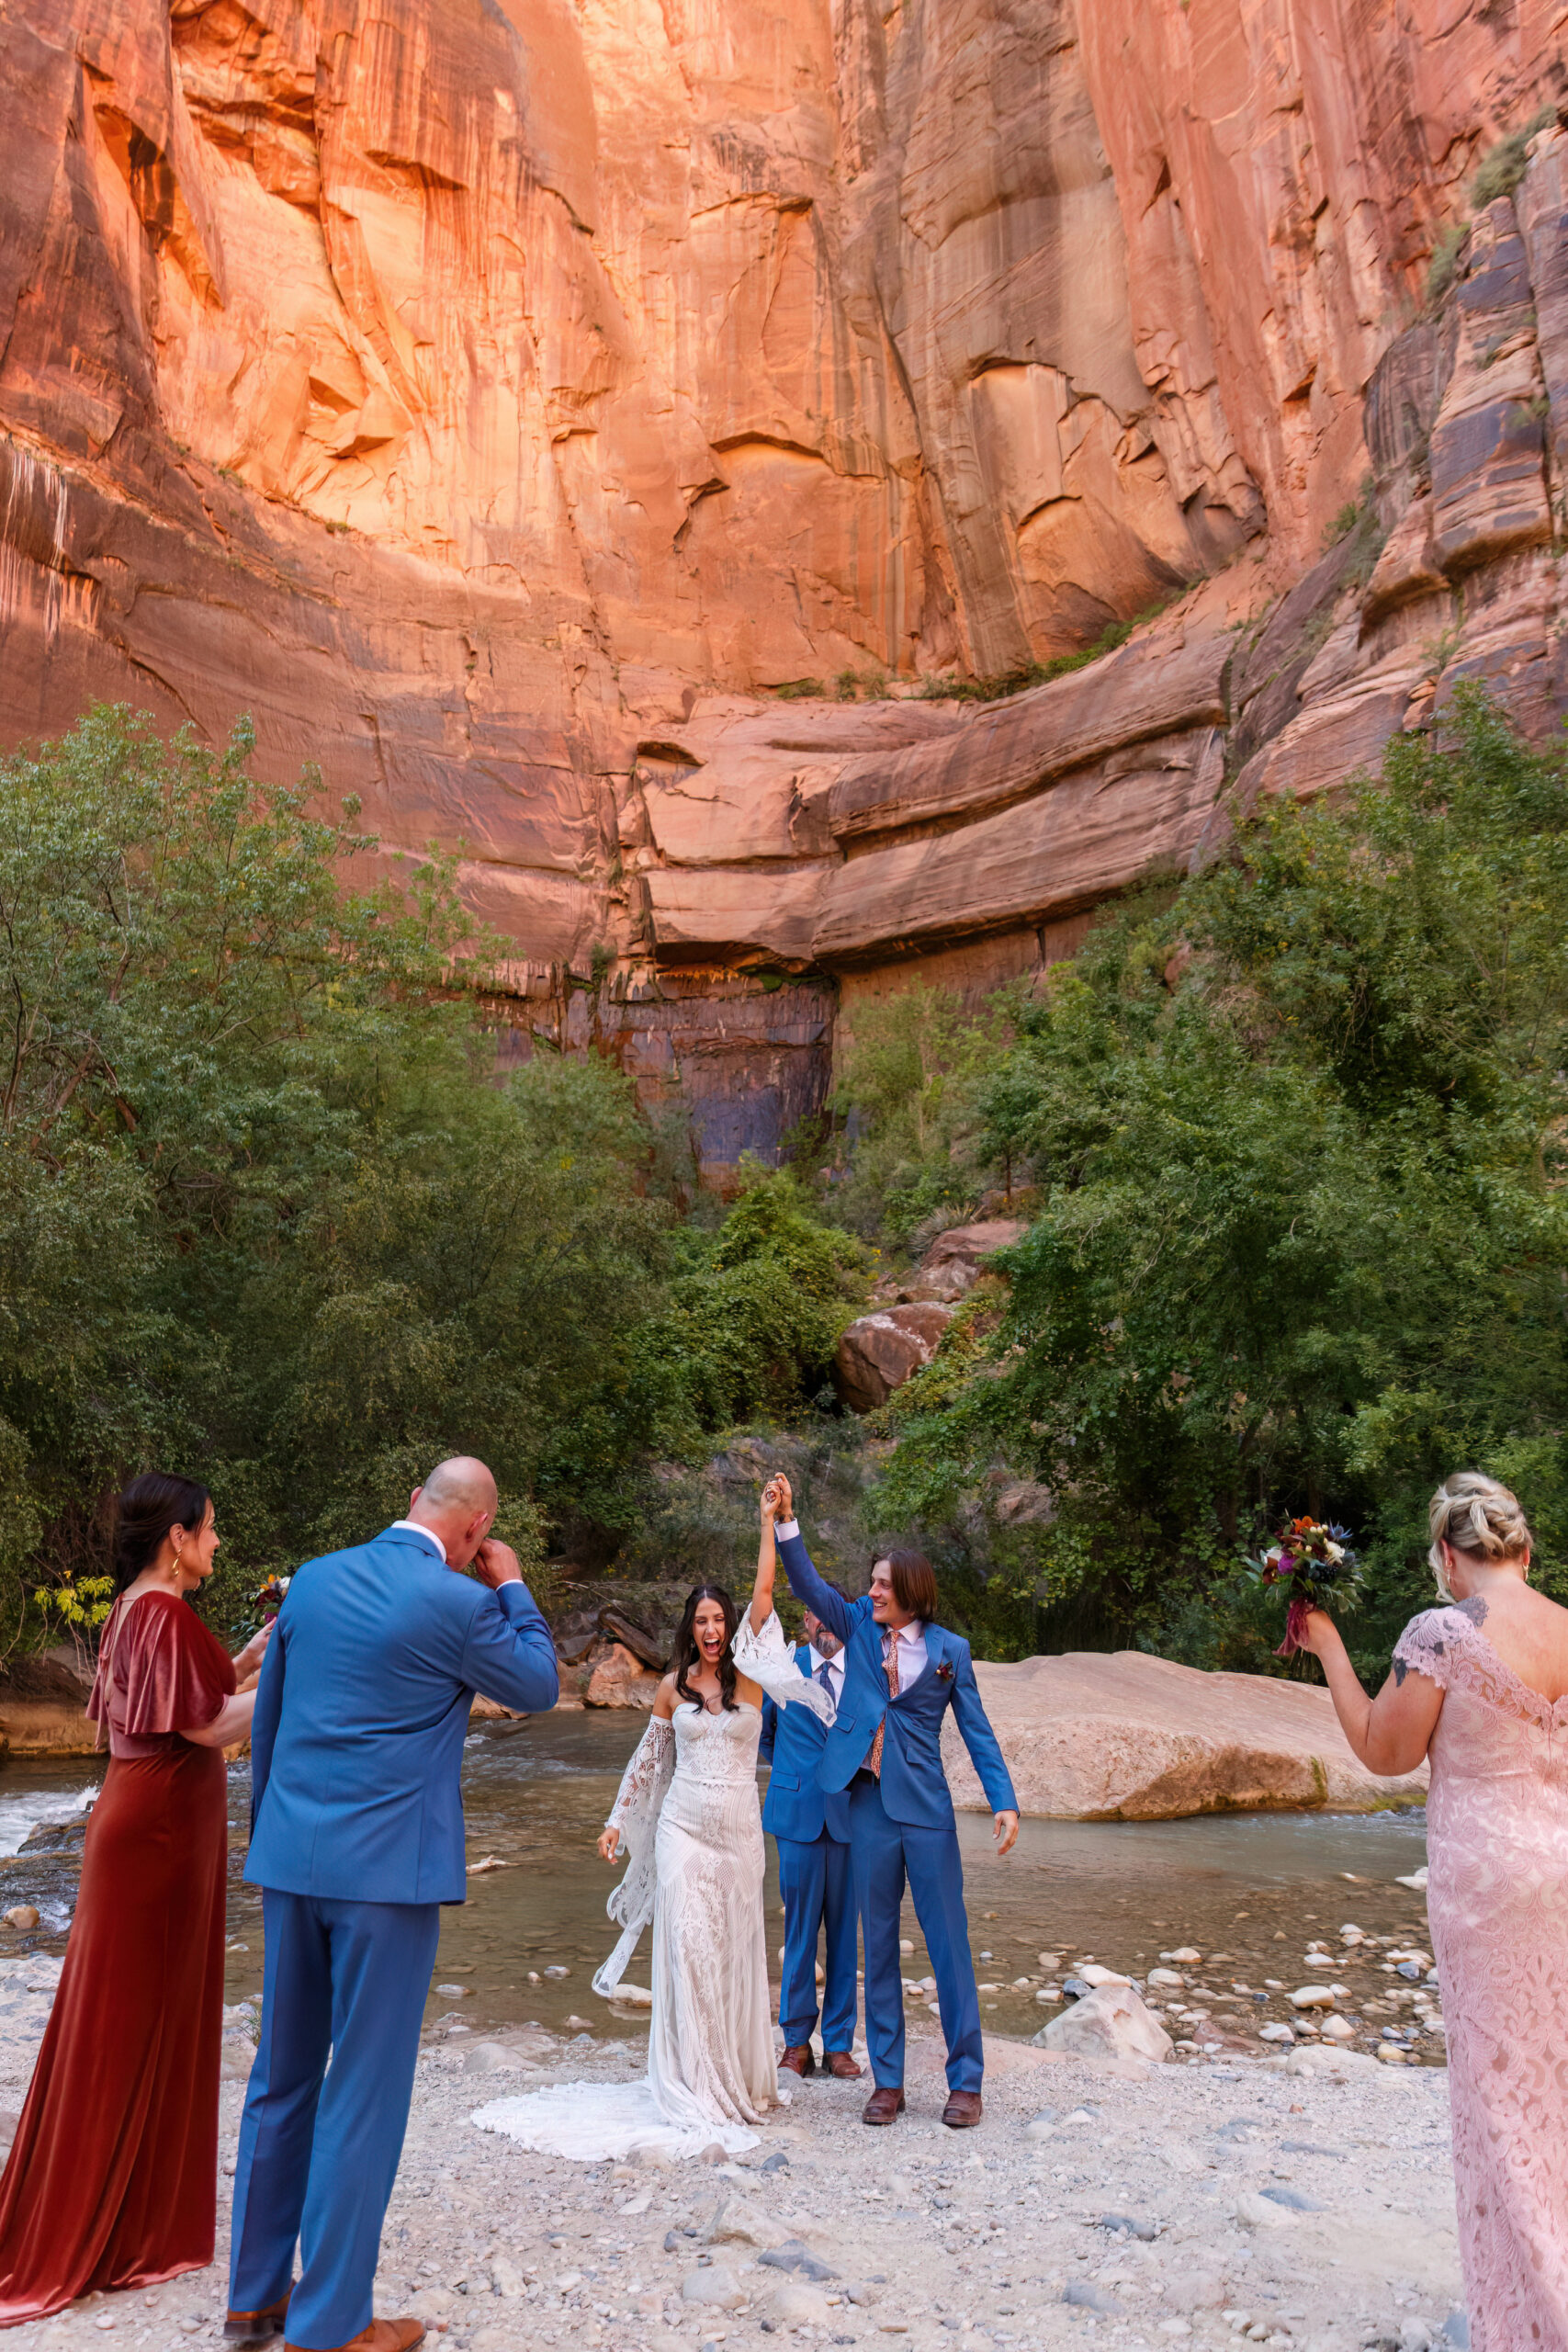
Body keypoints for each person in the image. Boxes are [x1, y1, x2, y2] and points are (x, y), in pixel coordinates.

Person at [225, 1459, 558, 2352]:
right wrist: (512, 1583)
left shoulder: (314, 1578)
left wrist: (272, 1839)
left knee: (280, 2076)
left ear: (414, 1499)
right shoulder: (463, 1603)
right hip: (389, 1878)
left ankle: (252, 2298)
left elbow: (269, 1719)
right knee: (362, 2091)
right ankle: (331, 2323)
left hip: (293, 1857)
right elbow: (538, 1684)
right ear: (477, 1531)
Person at [471, 1487, 833, 2163]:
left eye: (718, 1619)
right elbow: (647, 1760)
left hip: (738, 1839)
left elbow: (764, 1591)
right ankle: (691, 2082)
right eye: (701, 1620)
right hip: (682, 1832)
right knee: (688, 1949)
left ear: (730, 1625)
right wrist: (616, 1821)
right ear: (689, 1628)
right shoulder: (671, 1687)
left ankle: (732, 2073)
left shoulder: (752, 1679)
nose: (711, 1628)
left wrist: (769, 1522)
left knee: (730, 1954)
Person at [1299, 1471, 1568, 2352]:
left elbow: (1383, 1752)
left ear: (1448, 1559)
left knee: (1498, 2100)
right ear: (1523, 1550)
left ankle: (1534, 2320)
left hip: (1487, 1889)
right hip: (1561, 1876)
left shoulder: (1443, 1632)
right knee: (1554, 2091)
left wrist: (1328, 1648)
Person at [0, 1473, 274, 2326]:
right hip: (158, 1833)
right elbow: (209, 1725)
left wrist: (261, 1654)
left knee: (129, 2013)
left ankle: (131, 2216)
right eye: (211, 1528)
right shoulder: (164, 1616)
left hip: (144, 1821)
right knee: (133, 2018)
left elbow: (198, 1693)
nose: (218, 1543)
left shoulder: (136, 1609)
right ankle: (116, 2228)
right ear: (177, 1539)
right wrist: (304, 1682)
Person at [771, 1474, 1018, 2130]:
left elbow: (977, 1729)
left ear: (910, 1591)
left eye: (882, 1584)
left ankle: (966, 2084)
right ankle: (888, 2082)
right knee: (876, 1945)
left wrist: (1003, 1798)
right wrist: (787, 1520)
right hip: (868, 1807)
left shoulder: (950, 1652)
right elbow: (808, 1586)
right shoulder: (856, 1627)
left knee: (948, 1947)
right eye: (872, 1583)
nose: (872, 1591)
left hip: (928, 1811)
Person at [758, 1589, 861, 2078]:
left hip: (851, 1818)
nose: (826, 1623)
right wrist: (795, 1775)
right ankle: (796, 2044)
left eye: (834, 1614)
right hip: (796, 1816)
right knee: (799, 1932)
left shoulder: (864, 1671)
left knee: (844, 1934)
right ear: (806, 1619)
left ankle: (839, 2045)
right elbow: (765, 1736)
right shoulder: (783, 1667)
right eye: (819, 1614)